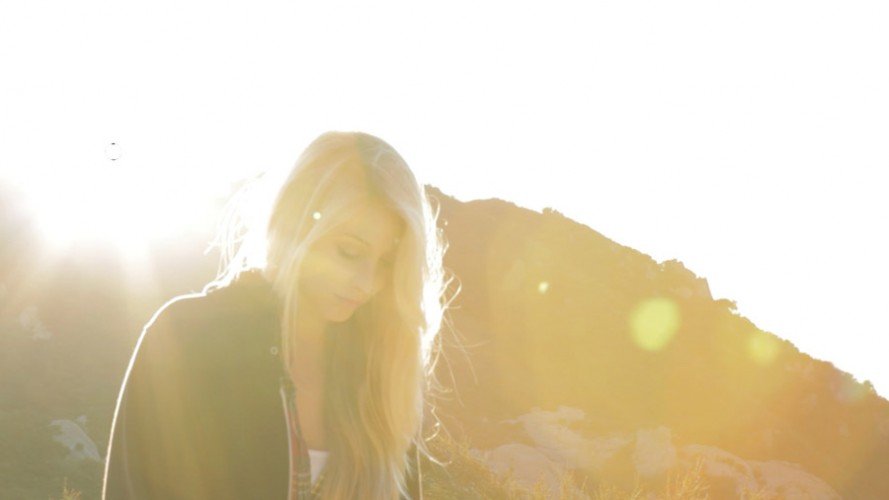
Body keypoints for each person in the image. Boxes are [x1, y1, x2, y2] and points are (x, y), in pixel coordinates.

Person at [102, 131, 452, 499]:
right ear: (295, 222)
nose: (366, 283)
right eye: (349, 252)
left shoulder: (382, 376)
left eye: (386, 263)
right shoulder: (185, 337)